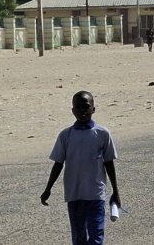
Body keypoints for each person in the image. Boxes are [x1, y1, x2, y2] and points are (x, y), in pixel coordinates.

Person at [41, 91, 121, 245]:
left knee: (96, 235)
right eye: (78, 107)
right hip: (74, 194)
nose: (82, 111)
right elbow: (58, 163)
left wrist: (116, 192)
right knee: (78, 238)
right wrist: (48, 189)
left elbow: (109, 163)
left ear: (94, 109)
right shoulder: (66, 135)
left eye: (86, 107)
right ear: (72, 111)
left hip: (96, 193)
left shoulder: (102, 134)